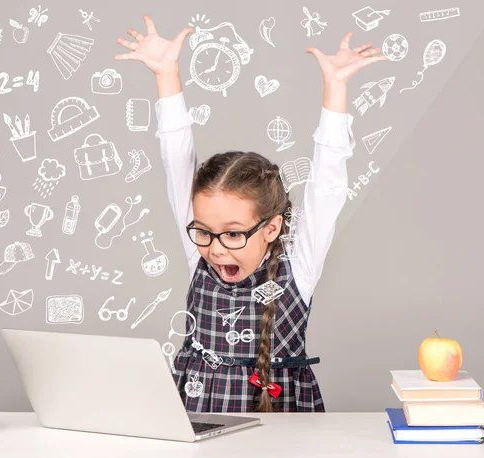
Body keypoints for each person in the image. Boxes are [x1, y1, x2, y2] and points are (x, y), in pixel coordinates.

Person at [114, 15, 386, 412]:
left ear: (272, 227)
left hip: (282, 418)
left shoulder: (300, 266)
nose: (217, 249)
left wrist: (337, 87)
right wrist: (166, 76)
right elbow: (176, 162)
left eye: (234, 234)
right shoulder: (200, 256)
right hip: (198, 409)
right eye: (204, 231)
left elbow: (327, 182)